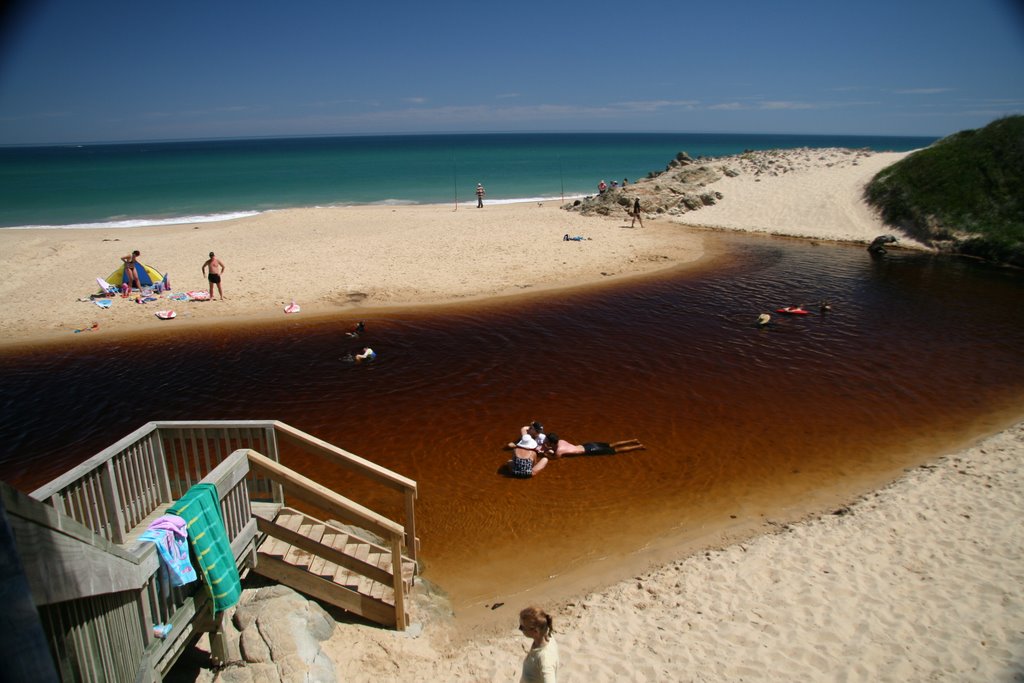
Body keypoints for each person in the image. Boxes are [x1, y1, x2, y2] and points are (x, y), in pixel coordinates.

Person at [518, 606, 558, 682]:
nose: (519, 629)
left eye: (522, 627)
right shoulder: (548, 636)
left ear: (535, 632)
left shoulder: (544, 658)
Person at [543, 433, 645, 458]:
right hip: (588, 445)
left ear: (552, 442)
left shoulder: (559, 451)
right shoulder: (561, 441)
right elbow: (557, 447)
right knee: (611, 444)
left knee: (615, 450)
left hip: (590, 450)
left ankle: (638, 447)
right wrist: (548, 447)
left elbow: (555, 458)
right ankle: (634, 440)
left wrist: (545, 454)